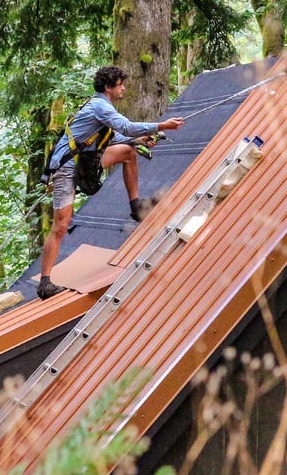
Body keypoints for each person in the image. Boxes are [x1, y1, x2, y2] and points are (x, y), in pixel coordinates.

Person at [37, 65, 184, 299]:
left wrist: (140, 139)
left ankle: (136, 206)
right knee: (61, 224)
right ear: (108, 87)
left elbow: (115, 137)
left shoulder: (100, 107)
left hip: (85, 161)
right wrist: (162, 125)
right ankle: (45, 282)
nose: (123, 88)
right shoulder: (100, 106)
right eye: (120, 85)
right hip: (67, 166)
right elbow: (125, 126)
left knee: (127, 151)